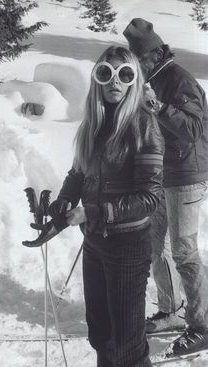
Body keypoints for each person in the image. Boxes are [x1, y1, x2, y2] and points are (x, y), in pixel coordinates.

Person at [47, 46, 164, 366]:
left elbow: (149, 198)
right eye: (105, 73)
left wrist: (95, 212)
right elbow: (78, 174)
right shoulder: (93, 125)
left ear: (134, 81)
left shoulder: (143, 125)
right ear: (97, 78)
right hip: (96, 242)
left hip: (127, 246)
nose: (115, 81)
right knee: (101, 335)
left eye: (125, 74)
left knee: (128, 343)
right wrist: (62, 202)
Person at [123, 18, 208, 356]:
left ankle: (201, 325)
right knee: (155, 246)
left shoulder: (178, 79)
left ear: (155, 54)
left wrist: (157, 106)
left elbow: (193, 129)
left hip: (187, 176)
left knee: (184, 251)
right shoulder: (150, 80)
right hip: (160, 176)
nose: (136, 66)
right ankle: (171, 311)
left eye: (139, 59)